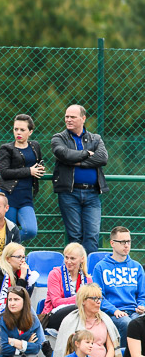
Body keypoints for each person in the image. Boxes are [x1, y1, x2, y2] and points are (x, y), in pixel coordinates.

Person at [51, 104, 108, 254]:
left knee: (92, 235)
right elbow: (63, 154)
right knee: (75, 236)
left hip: (92, 194)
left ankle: (88, 267)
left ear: (83, 118)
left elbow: (102, 158)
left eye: (73, 117)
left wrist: (78, 162)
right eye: (66, 117)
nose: (68, 120)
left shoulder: (95, 138)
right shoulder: (58, 138)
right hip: (69, 193)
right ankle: (75, 267)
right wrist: (87, 153)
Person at [92, 226, 145, 345]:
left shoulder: (137, 267)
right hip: (113, 313)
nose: (126, 245)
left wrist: (142, 305)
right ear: (112, 243)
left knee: (138, 322)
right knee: (128, 323)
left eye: (128, 241)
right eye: (122, 242)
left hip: (135, 311)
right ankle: (125, 354)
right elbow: (98, 297)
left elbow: (142, 295)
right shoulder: (100, 267)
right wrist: (114, 310)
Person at [0, 114, 43, 242]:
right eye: (16, 129)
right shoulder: (6, 148)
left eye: (22, 130)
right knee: (9, 232)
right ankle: (8, 249)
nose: (18, 132)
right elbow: (4, 172)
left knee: (31, 230)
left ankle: (11, 245)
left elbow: (38, 162)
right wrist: (29, 171)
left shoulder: (35, 146)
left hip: (26, 198)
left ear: (30, 132)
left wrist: (39, 168)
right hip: (9, 196)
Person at [41, 242, 92, 330]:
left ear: (82, 259)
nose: (68, 261)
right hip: (53, 315)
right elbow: (56, 302)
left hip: (79, 315)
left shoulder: (87, 279)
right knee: (78, 308)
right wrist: (80, 299)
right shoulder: (55, 274)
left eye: (72, 258)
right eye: (66, 257)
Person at [0, 242, 37, 314]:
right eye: (19, 257)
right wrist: (22, 278)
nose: (23, 260)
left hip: (12, 311)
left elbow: (24, 299)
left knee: (30, 310)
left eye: (24, 257)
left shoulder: (19, 273)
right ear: (8, 259)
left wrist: (25, 278)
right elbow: (13, 297)